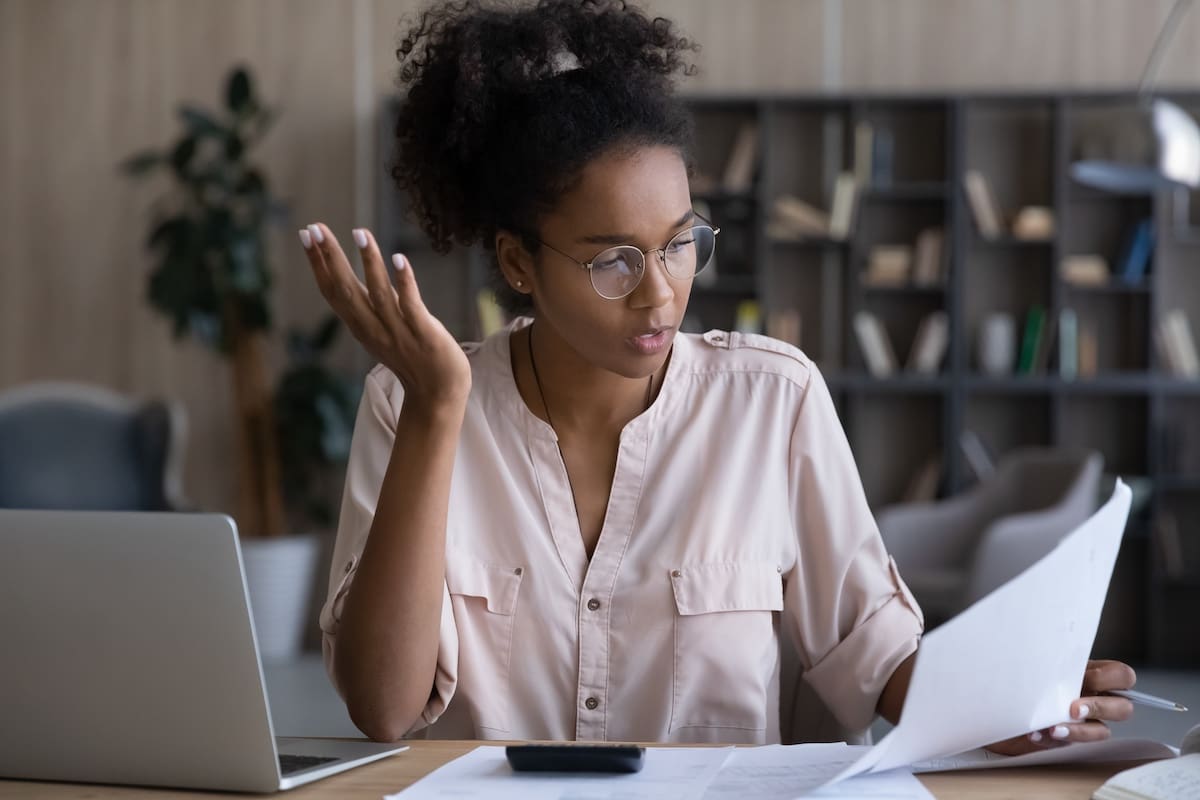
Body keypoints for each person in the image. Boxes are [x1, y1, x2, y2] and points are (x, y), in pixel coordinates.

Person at [298, 0, 1136, 747]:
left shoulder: (774, 401)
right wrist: (441, 407)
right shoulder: (409, 406)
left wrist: (1004, 708)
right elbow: (382, 706)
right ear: (519, 262)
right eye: (614, 262)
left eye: (678, 243)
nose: (661, 293)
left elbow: (874, 654)